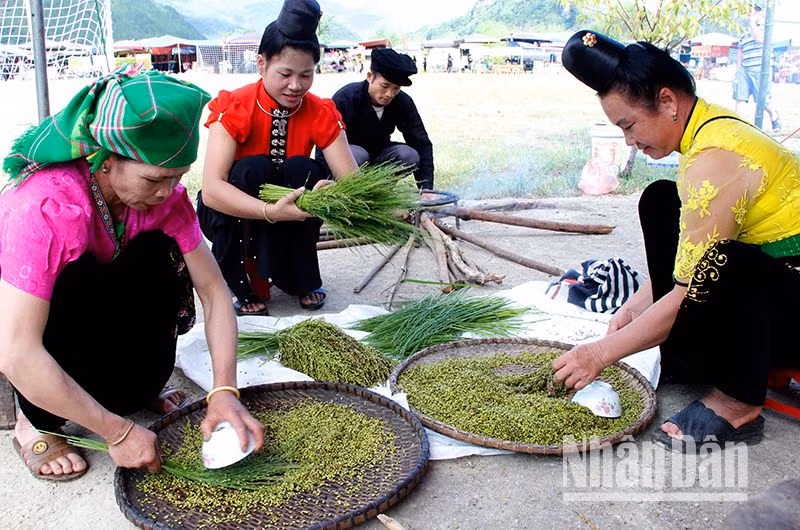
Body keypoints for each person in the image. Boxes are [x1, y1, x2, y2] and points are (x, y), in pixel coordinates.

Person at [0, 65, 264, 481]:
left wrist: (225, 391)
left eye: (176, 178)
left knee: (160, 252)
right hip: (34, 317)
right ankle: (32, 420)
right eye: (154, 179)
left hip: (102, 302)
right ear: (104, 161)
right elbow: (16, 349)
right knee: (73, 277)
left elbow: (214, 292)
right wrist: (117, 432)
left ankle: (138, 387)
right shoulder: (47, 207)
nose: (166, 191)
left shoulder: (166, 202)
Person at [553, 30, 800, 452]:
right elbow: (691, 257)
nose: (629, 140)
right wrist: (638, 302)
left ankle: (737, 402)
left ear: (667, 102)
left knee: (730, 261)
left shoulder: (715, 158)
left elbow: (699, 280)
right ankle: (690, 358)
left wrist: (598, 354)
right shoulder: (707, 131)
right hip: (777, 285)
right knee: (662, 201)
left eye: (629, 125)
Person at [196, 0, 359, 316]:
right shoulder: (235, 106)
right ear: (261, 64)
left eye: (306, 75)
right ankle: (242, 282)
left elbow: (353, 182)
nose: (296, 85)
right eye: (285, 73)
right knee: (253, 168)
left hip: (292, 210)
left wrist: (332, 192)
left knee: (304, 169)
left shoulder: (319, 110)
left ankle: (301, 278)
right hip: (232, 212)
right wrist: (270, 210)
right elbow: (213, 190)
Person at [320, 48, 434, 190]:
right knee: (358, 154)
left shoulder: (402, 101)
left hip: (380, 154)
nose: (389, 94)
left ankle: (379, 190)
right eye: (385, 86)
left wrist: (426, 188)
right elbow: (325, 140)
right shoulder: (346, 97)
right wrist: (323, 179)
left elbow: (420, 142)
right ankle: (351, 191)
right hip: (350, 157)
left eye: (396, 89)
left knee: (409, 155)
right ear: (370, 77)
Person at [733, 2, 781, 132]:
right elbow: (741, 49)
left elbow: (759, 38)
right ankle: (739, 125)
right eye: (750, 10)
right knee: (740, 97)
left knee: (763, 101)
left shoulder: (766, 27)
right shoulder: (744, 30)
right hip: (745, 69)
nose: (752, 13)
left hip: (760, 70)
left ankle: (774, 114)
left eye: (755, 11)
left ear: (762, 13)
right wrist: (738, 67)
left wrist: (752, 23)